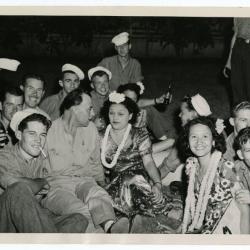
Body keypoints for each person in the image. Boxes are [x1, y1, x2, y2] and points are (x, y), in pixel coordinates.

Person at [42, 88, 131, 233]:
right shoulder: (48, 131)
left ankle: (110, 227)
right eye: (89, 109)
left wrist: (103, 184)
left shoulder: (90, 129)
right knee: (78, 209)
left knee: (99, 195)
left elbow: (95, 163)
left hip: (84, 180)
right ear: (75, 109)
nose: (93, 113)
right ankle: (104, 239)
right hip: (56, 186)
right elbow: (36, 167)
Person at [0, 109, 88, 232]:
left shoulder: (39, 160)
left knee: (79, 219)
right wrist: (41, 182)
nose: (38, 140)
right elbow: (15, 185)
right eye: (32, 133)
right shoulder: (4, 156)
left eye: (42, 135)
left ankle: (45, 241)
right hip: (5, 222)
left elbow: (37, 200)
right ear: (19, 135)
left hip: (29, 222)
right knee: (18, 189)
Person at [100, 92, 178, 231]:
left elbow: (148, 162)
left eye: (120, 114)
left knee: (132, 179)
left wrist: (158, 183)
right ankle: (134, 217)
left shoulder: (139, 134)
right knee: (110, 194)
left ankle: (159, 208)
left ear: (130, 116)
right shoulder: (101, 136)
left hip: (139, 177)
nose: (115, 117)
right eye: (111, 113)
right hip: (115, 180)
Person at [179, 116, 249, 234]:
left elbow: (245, 210)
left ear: (213, 141)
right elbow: (194, 202)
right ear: (187, 142)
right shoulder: (191, 164)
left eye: (205, 136)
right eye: (194, 137)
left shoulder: (225, 168)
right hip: (205, 225)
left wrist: (244, 243)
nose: (199, 142)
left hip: (227, 228)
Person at [98, 32, 169, 110]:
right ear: (115, 48)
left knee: (149, 111)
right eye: (119, 46)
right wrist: (109, 94)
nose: (122, 49)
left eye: (124, 46)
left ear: (130, 46)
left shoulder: (136, 64)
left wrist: (156, 100)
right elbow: (96, 83)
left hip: (127, 102)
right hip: (108, 101)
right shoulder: (106, 62)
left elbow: (135, 91)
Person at [159, 93, 212, 180]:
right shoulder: (213, 129)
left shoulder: (188, 137)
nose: (179, 115)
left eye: (182, 112)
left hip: (197, 177)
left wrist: (148, 183)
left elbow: (165, 168)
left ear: (193, 115)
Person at [223, 18, 250, 105]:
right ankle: (241, 116)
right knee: (237, 86)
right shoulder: (238, 11)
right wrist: (228, 62)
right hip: (238, 46)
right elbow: (235, 34)